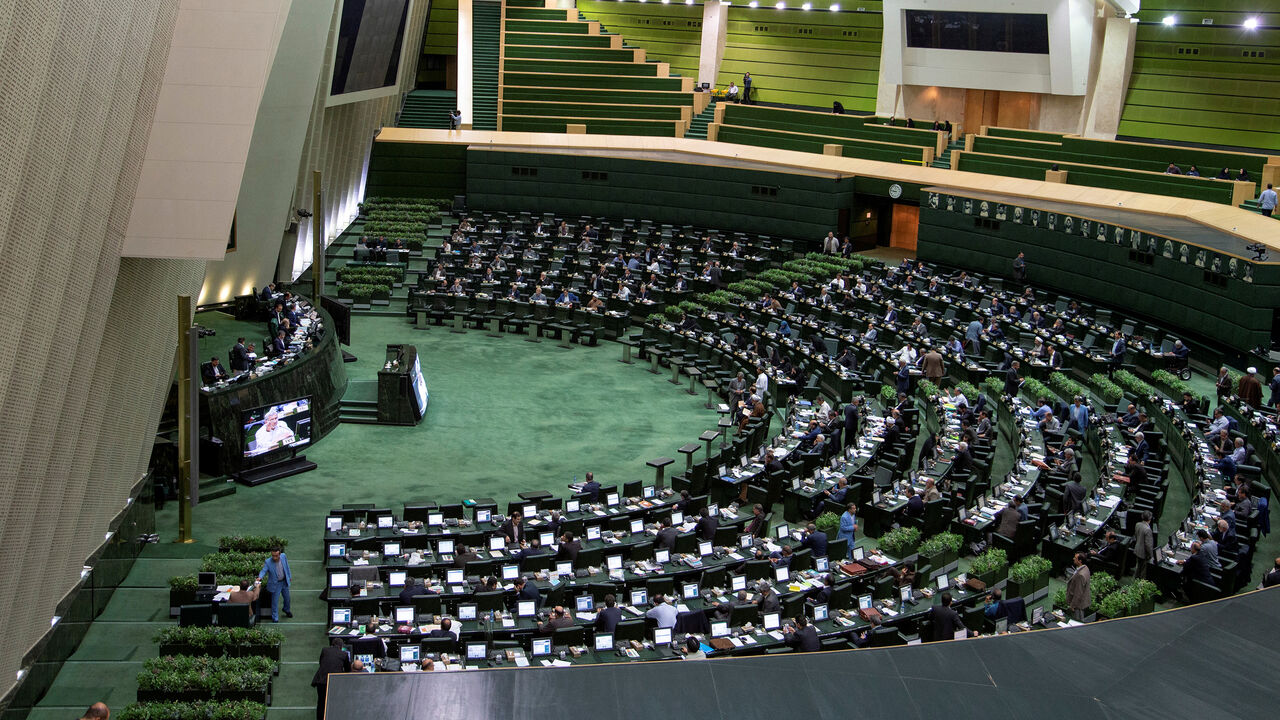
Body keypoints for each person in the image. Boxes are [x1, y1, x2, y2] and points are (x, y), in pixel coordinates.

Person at [312, 639, 350, 720]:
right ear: (341, 646)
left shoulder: (324, 650)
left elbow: (321, 662)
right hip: (334, 681)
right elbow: (348, 670)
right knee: (335, 702)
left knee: (321, 703)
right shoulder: (344, 654)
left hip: (321, 680)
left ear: (332, 644)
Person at [257, 547, 292, 622]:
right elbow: (263, 571)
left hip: (284, 581)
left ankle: (286, 609)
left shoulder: (283, 556)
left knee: (287, 598)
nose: (274, 557)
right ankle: (275, 617)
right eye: (273, 555)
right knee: (275, 601)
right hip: (275, 584)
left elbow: (287, 567)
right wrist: (260, 577)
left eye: (276, 556)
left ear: (279, 554)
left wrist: (289, 576)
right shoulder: (268, 562)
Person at [1066, 552, 1091, 621]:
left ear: (1080, 561)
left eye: (1075, 558)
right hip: (1081, 602)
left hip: (1078, 605)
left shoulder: (1080, 575)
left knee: (1076, 621)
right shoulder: (1085, 568)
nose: (1073, 559)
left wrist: (1072, 605)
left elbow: (1078, 592)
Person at [1133, 510, 1154, 578]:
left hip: (1137, 550)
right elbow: (1148, 545)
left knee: (1137, 568)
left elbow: (1136, 536)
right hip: (1144, 554)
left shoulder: (1137, 524)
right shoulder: (1148, 530)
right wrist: (1151, 555)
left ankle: (1135, 580)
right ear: (1150, 519)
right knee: (1142, 572)